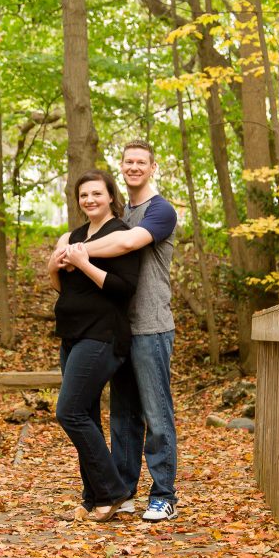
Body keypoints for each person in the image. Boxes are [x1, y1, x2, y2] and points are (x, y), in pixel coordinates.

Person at [60, 141, 179, 522]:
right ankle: (124, 492)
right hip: (120, 328)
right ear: (122, 167)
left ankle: (163, 495)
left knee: (156, 414)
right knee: (123, 416)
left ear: (153, 167)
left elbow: (127, 242)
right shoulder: (124, 212)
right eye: (128, 162)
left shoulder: (160, 210)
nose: (134, 167)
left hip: (152, 325)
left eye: (141, 161)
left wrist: (77, 251)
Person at [48, 169, 142, 522]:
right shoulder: (71, 236)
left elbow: (124, 289)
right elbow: (63, 288)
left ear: (110, 196)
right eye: (84, 195)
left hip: (103, 334)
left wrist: (83, 264)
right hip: (71, 334)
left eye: (96, 193)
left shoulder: (121, 234)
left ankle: (113, 491)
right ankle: (93, 497)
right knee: (85, 414)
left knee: (69, 411)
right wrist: (52, 267)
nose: (90, 199)